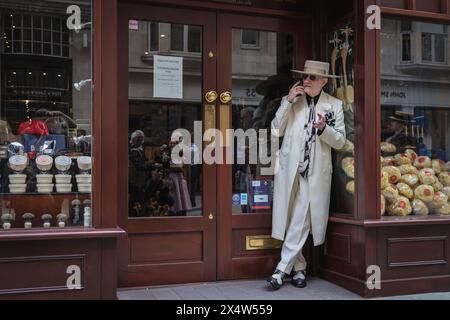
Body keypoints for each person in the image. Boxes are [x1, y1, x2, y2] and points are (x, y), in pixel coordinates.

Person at [268, 60, 346, 290]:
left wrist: (323, 129)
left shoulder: (335, 105)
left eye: (313, 77)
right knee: (293, 218)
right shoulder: (293, 102)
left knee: (301, 216)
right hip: (289, 170)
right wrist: (287, 101)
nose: (307, 81)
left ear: (324, 81)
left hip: (314, 173)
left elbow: (340, 141)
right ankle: (299, 269)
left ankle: (282, 269)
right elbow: (275, 129)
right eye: (305, 77)